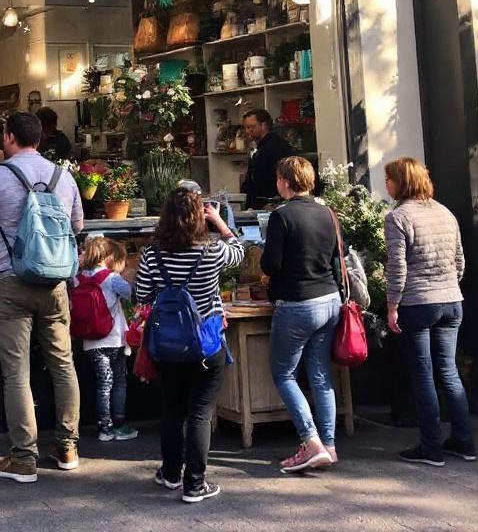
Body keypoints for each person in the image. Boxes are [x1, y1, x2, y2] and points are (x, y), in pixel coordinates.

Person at [0, 111, 83, 483]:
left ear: (10, 137)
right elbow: (78, 226)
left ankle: (23, 457)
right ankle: (67, 446)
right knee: (62, 364)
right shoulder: (63, 177)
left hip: (10, 281)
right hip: (54, 284)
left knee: (16, 372)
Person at [134, 185, 244, 504]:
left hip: (167, 345)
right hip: (207, 344)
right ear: (199, 217)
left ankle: (170, 473)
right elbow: (238, 252)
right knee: (199, 412)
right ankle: (194, 483)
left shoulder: (152, 254)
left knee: (172, 408)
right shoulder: (210, 251)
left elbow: (142, 295)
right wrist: (220, 223)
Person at [383, 156, 474, 467]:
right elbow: (460, 261)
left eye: (389, 179)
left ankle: (430, 446)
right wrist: (447, 284)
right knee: (449, 372)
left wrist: (392, 305)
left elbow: (397, 267)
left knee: (423, 375)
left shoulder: (398, 217)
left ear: (401, 183)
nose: (387, 185)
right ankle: (464, 440)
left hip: (418, 302)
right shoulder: (445, 212)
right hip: (452, 299)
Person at [260, 155, 342, 473]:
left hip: (297, 302)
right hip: (329, 298)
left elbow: (271, 264)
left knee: (284, 374)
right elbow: (337, 255)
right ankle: (330, 445)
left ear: (284, 181)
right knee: (321, 376)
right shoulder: (327, 213)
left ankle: (310, 441)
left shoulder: (282, 216)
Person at [74, 235, 137, 442]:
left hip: (90, 342)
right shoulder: (111, 278)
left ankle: (104, 428)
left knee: (103, 383)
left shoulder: (78, 279)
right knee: (118, 381)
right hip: (114, 339)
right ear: (107, 256)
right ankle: (119, 424)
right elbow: (132, 294)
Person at [243, 109, 296, 208]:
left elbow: (263, 176)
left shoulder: (274, 146)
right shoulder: (261, 146)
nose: (247, 131)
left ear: (264, 125)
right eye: (246, 127)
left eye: (251, 127)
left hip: (270, 202)